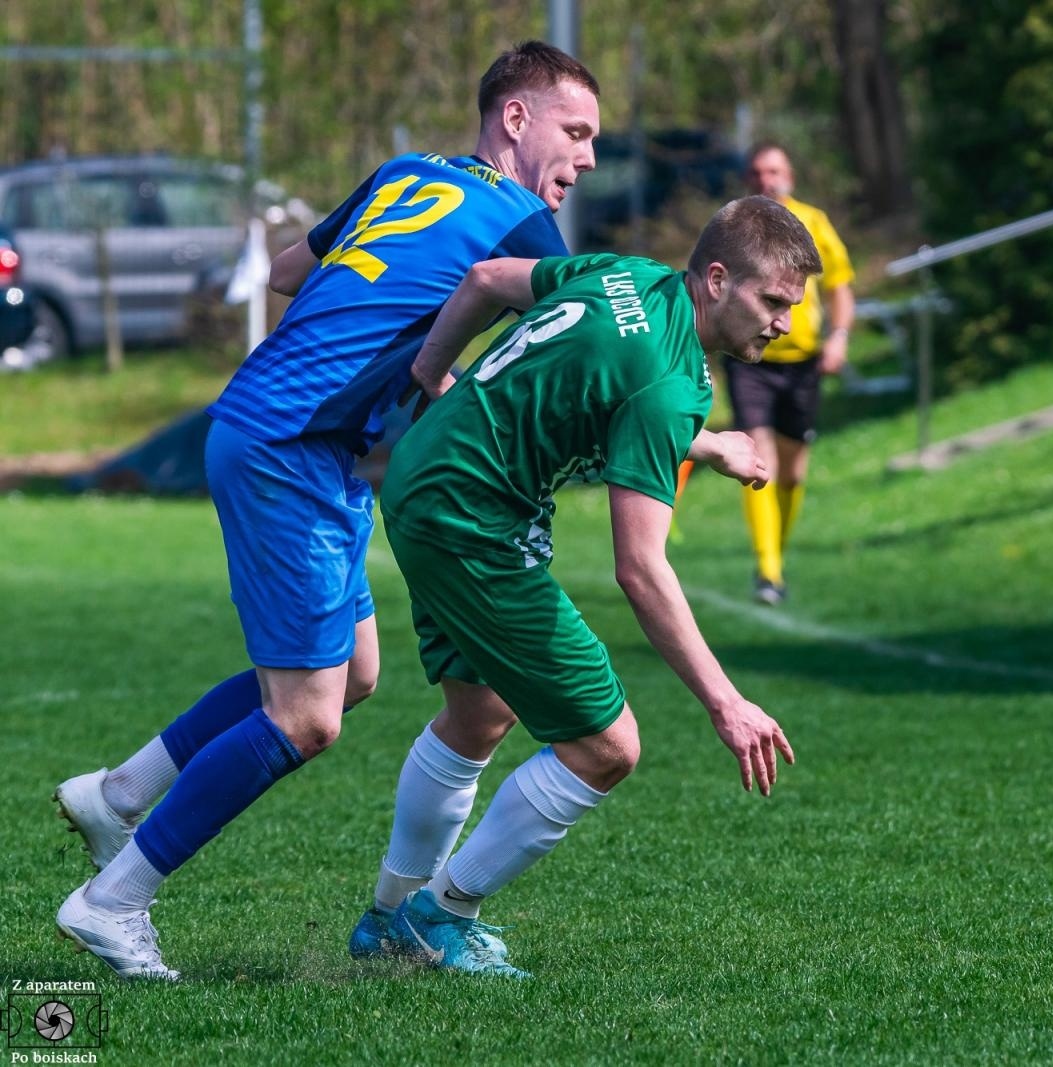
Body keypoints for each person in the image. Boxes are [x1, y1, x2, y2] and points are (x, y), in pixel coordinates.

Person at [51, 41, 762, 981]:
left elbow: (284, 273)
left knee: (351, 678)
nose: (586, 158)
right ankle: (114, 900)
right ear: (516, 119)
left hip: (308, 437)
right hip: (294, 441)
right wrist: (422, 364)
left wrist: (389, 320)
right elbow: (542, 381)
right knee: (305, 717)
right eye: (576, 132)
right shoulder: (524, 225)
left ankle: (121, 794)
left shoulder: (405, 174)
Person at [366, 195, 817, 976]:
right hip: (473, 520)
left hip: (426, 475)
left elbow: (484, 280)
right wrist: (726, 702)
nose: (782, 323)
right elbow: (640, 568)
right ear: (716, 279)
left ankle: (386, 921)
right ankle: (440, 915)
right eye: (772, 300)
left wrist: (430, 371)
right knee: (607, 746)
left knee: (479, 713)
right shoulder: (670, 383)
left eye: (792, 307)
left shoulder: (628, 277)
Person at [726, 143, 856, 604]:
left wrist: (838, 336)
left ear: (791, 175)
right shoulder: (736, 224)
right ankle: (768, 570)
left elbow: (841, 286)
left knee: (793, 472)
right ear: (749, 178)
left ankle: (775, 552)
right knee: (761, 460)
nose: (767, 179)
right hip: (750, 358)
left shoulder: (814, 222)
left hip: (804, 361)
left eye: (775, 170)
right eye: (758, 172)